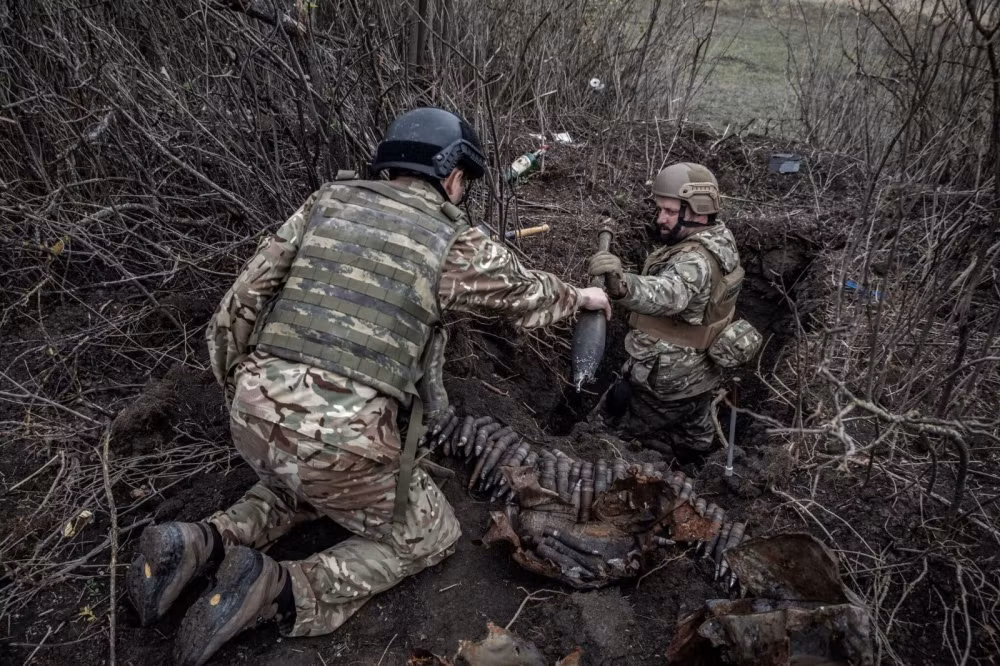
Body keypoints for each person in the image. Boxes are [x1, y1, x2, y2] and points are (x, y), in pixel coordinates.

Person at [126, 107, 611, 666]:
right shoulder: (453, 240)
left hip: (253, 413)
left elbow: (237, 307)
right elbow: (526, 293)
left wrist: (243, 387)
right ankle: (278, 589)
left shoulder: (326, 203)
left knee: (303, 479)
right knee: (430, 533)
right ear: (453, 176)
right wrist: (580, 297)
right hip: (341, 444)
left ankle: (200, 541)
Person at [588, 162, 759, 459]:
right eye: (660, 210)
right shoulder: (720, 238)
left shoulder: (694, 261)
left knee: (605, 427)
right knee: (693, 431)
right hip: (700, 373)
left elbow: (670, 294)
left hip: (666, 380)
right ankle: (695, 453)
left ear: (699, 210)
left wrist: (621, 285)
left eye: (669, 211)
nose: (660, 219)